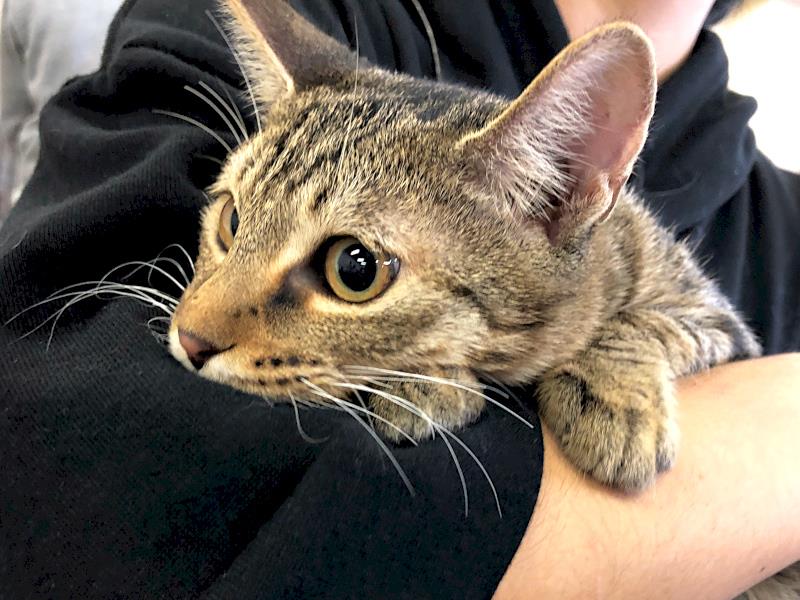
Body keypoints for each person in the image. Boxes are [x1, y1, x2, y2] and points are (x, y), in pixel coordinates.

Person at [0, 0, 797, 598]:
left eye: (353, 268)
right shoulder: (329, 12)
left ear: (558, 196)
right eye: (233, 222)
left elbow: (702, 334)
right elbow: (57, 470)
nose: (199, 325)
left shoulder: (778, 227)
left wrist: (621, 353)